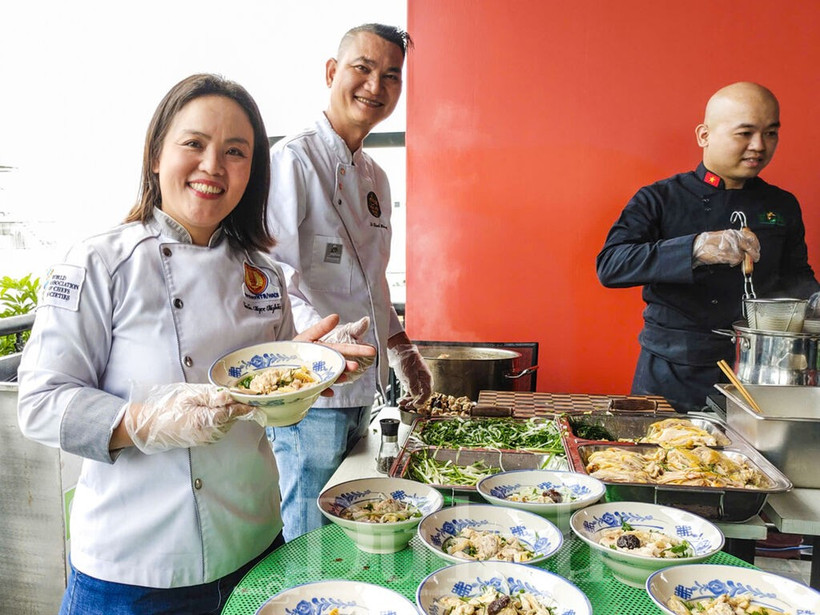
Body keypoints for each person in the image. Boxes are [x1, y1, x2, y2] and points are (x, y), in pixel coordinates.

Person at [16, 73, 374, 614]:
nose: (213, 166)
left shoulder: (264, 274)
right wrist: (144, 422)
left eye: (236, 152)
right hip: (134, 567)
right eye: (194, 143)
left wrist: (315, 365)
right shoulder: (97, 262)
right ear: (156, 154)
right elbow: (39, 403)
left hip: (253, 545)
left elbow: (268, 395)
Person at [265, 23, 433, 541]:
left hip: (364, 388)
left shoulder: (376, 179)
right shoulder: (292, 162)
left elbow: (373, 283)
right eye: (362, 69)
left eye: (391, 76)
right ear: (332, 72)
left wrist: (402, 349)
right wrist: (324, 338)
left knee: (347, 519)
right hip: (312, 394)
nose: (375, 87)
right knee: (307, 525)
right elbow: (270, 277)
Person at [597, 81, 819, 412]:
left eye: (770, 133)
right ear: (704, 135)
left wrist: (815, 300)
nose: (759, 145)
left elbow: (796, 277)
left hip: (760, 373)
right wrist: (696, 248)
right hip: (673, 372)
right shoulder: (660, 198)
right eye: (745, 133)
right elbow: (611, 264)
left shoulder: (782, 204)